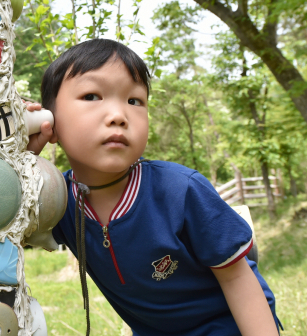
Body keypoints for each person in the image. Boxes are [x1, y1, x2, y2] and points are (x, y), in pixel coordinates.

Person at [25, 39, 281, 336]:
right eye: (92, 95)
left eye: (134, 101)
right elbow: (3, 226)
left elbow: (237, 278)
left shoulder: (180, 191)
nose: (119, 115)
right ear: (50, 122)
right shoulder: (59, 199)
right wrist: (22, 153)